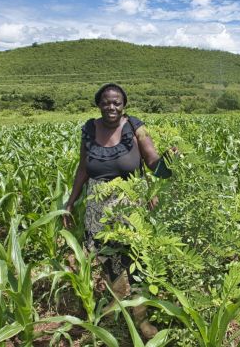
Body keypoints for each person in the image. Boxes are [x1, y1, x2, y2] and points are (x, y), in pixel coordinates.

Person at [63, 83, 172, 338]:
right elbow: (83, 168)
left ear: (124, 105)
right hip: (97, 207)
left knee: (136, 261)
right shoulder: (89, 129)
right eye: (106, 102)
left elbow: (154, 162)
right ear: (98, 104)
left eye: (116, 102)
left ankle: (142, 320)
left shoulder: (136, 127)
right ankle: (115, 316)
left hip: (130, 204)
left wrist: (168, 162)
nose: (111, 106)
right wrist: (71, 201)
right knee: (108, 263)